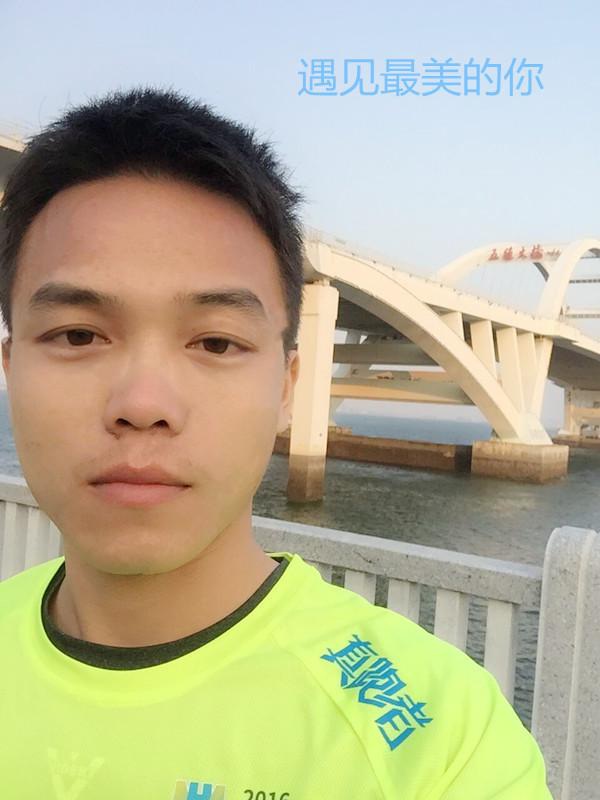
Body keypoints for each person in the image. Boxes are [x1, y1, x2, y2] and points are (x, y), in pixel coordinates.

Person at [0, 86, 552, 799]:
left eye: (216, 342)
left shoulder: (441, 742)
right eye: (78, 335)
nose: (142, 405)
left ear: (287, 387)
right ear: (11, 367)